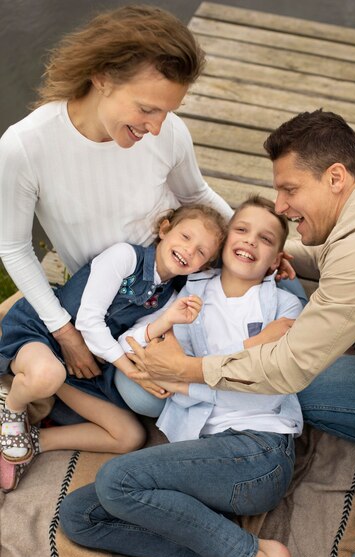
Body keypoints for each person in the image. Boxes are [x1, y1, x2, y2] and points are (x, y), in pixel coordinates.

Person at [124, 110, 355, 557]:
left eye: (288, 190)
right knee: (281, 388)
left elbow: (290, 366)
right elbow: (339, 258)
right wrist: (293, 260)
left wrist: (188, 369)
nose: (280, 205)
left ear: (334, 177)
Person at [60, 195, 305, 557]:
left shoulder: (283, 306)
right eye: (242, 230)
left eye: (265, 239)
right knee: (79, 516)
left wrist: (185, 379)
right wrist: (235, 353)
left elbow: (264, 383)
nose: (250, 241)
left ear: (275, 260)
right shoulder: (189, 294)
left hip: (259, 452)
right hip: (206, 457)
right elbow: (140, 346)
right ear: (224, 242)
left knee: (118, 479)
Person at [0, 4, 232, 385]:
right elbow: (14, 248)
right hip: (113, 299)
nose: (157, 128)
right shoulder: (26, 146)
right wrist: (65, 332)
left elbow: (196, 194)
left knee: (283, 282)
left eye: (167, 112)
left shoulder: (169, 132)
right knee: (145, 393)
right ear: (102, 77)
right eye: (147, 109)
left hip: (175, 271)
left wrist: (248, 239)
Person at [0, 204, 226, 492]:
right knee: (47, 373)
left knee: (130, 436)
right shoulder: (125, 257)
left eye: (201, 253)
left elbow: (125, 341)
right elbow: (88, 321)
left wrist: (167, 320)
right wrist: (130, 371)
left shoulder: (169, 296)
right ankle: (13, 410)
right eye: (185, 237)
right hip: (45, 334)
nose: (189, 251)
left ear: (204, 266)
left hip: (82, 363)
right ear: (165, 229)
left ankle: (32, 442)